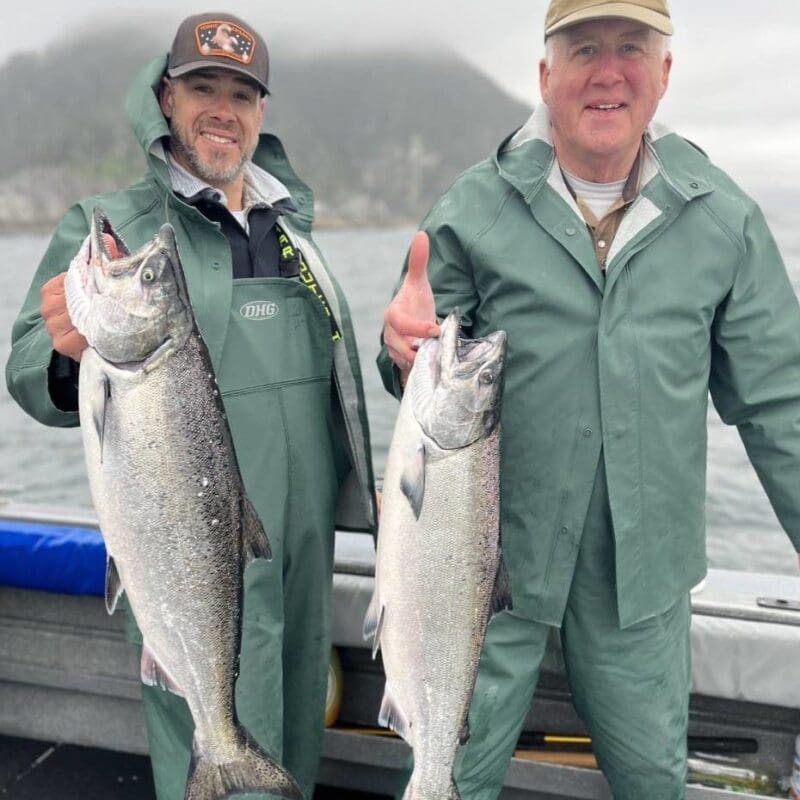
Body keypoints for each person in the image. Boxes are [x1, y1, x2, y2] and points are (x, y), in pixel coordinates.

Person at [378, 0, 800, 797]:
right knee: (450, 775)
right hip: (486, 564)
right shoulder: (474, 209)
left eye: (631, 48)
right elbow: (418, 358)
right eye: (583, 50)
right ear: (545, 75)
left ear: (665, 73)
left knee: (650, 781)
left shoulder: (723, 219)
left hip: (641, 580)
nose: (608, 72)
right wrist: (397, 347)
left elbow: (783, 403)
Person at [5, 12, 377, 800]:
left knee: (295, 745)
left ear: (262, 112)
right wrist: (68, 356)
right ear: (166, 99)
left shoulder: (294, 231)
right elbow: (30, 369)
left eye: (242, 93)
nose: (223, 108)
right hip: (184, 538)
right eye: (202, 86)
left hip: (301, 541)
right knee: (218, 753)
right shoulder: (113, 228)